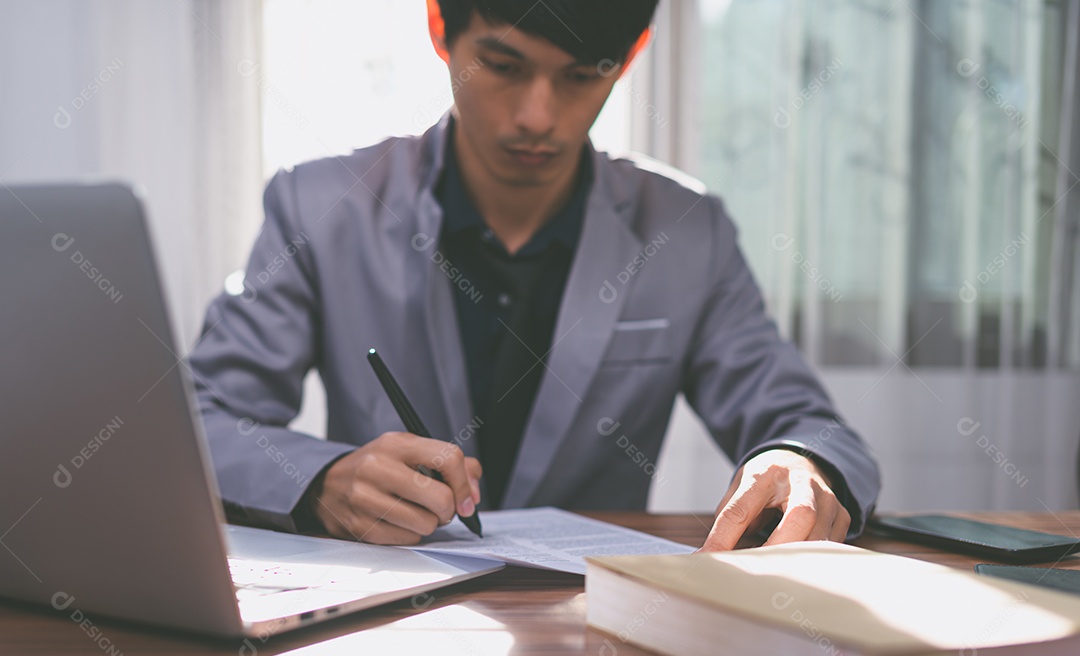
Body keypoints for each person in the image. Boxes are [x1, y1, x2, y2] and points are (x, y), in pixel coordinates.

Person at [188, 0, 880, 551]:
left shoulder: (686, 232)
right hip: (390, 631)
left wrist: (800, 460)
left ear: (628, 58)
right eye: (503, 65)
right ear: (439, 26)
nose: (537, 117)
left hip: (595, 630)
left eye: (582, 75)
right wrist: (320, 481)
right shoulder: (321, 205)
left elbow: (811, 426)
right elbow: (197, 420)